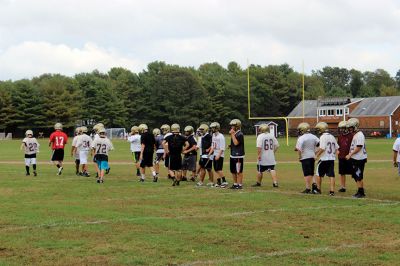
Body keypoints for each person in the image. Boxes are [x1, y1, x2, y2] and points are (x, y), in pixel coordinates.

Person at [314, 122, 339, 196]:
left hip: (324, 158)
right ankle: (332, 191)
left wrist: (316, 155)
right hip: (331, 158)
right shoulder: (332, 136)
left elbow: (322, 148)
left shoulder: (322, 137)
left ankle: (318, 189)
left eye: (318, 129)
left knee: (318, 174)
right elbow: (337, 148)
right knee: (331, 175)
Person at [295, 122, 320, 194]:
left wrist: (299, 156)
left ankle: (308, 188)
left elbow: (299, 149)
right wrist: (315, 152)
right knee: (311, 173)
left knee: (306, 173)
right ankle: (314, 187)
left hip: (305, 157)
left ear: (303, 129)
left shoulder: (301, 138)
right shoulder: (314, 136)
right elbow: (320, 145)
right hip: (312, 156)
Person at [345, 118, 367, 198]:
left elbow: (359, 147)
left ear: (355, 127)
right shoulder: (356, 135)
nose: (349, 129)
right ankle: (360, 190)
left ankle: (361, 192)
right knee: (356, 176)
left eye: (351, 127)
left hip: (359, 158)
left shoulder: (359, 135)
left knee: (358, 175)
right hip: (356, 158)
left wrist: (350, 154)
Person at [337, 120, 354, 192]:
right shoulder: (340, 136)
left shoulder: (351, 136)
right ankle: (343, 187)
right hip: (341, 157)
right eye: (340, 128)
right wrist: (337, 151)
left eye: (342, 128)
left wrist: (350, 154)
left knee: (354, 173)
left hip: (349, 157)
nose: (341, 130)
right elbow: (338, 145)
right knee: (342, 173)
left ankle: (359, 186)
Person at [208, 122, 226, 187]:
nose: (212, 129)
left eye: (213, 128)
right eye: (212, 128)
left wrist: (218, 155)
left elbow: (222, 147)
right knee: (215, 169)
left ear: (217, 128)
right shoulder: (213, 135)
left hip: (219, 154)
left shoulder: (221, 136)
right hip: (215, 154)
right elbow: (213, 145)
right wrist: (210, 153)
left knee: (219, 169)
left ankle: (224, 181)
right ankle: (218, 182)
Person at [228, 119, 244, 189]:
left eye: (233, 126)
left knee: (238, 171)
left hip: (238, 155)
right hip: (233, 154)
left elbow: (236, 143)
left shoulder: (240, 134)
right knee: (233, 170)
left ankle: (239, 184)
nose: (231, 127)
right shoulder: (235, 134)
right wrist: (230, 146)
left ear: (237, 126)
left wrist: (232, 134)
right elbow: (234, 144)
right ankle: (235, 184)